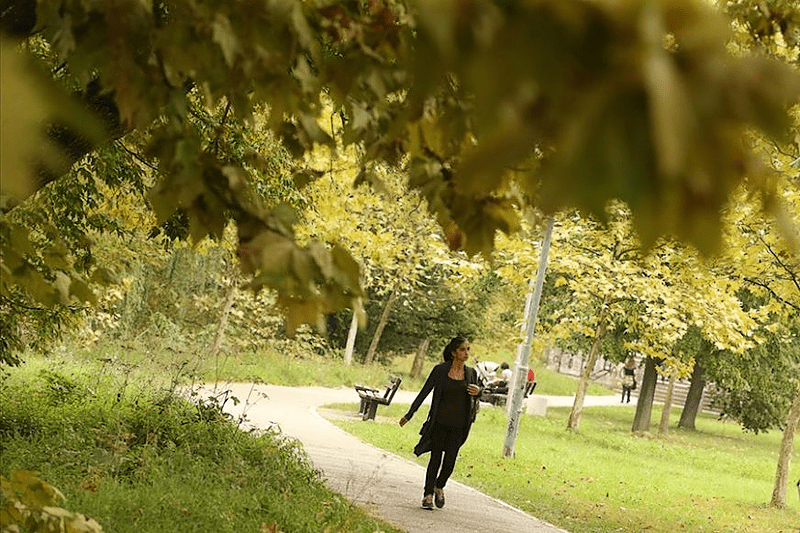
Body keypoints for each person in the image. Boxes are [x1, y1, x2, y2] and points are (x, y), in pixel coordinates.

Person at [399, 336, 481, 510]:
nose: (466, 353)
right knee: (435, 458)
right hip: (439, 423)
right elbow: (424, 392)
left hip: (459, 426)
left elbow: (479, 393)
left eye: (467, 350)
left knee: (450, 461)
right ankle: (427, 495)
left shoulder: (471, 373)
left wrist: (478, 392)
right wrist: (410, 414)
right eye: (462, 350)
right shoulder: (440, 370)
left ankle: (439, 486)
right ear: (453, 352)